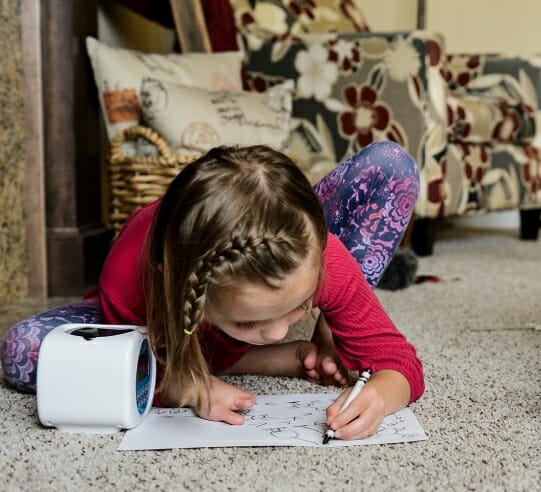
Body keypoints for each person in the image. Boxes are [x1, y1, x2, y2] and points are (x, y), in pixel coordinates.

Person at [2, 141, 424, 439]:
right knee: (24, 352)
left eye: (298, 307)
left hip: (277, 276)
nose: (279, 331)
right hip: (156, 323)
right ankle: (261, 357)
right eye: (250, 320)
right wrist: (192, 386)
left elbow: (398, 363)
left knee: (390, 163)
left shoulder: (321, 257)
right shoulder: (135, 278)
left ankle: (333, 327)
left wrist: (381, 396)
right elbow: (138, 370)